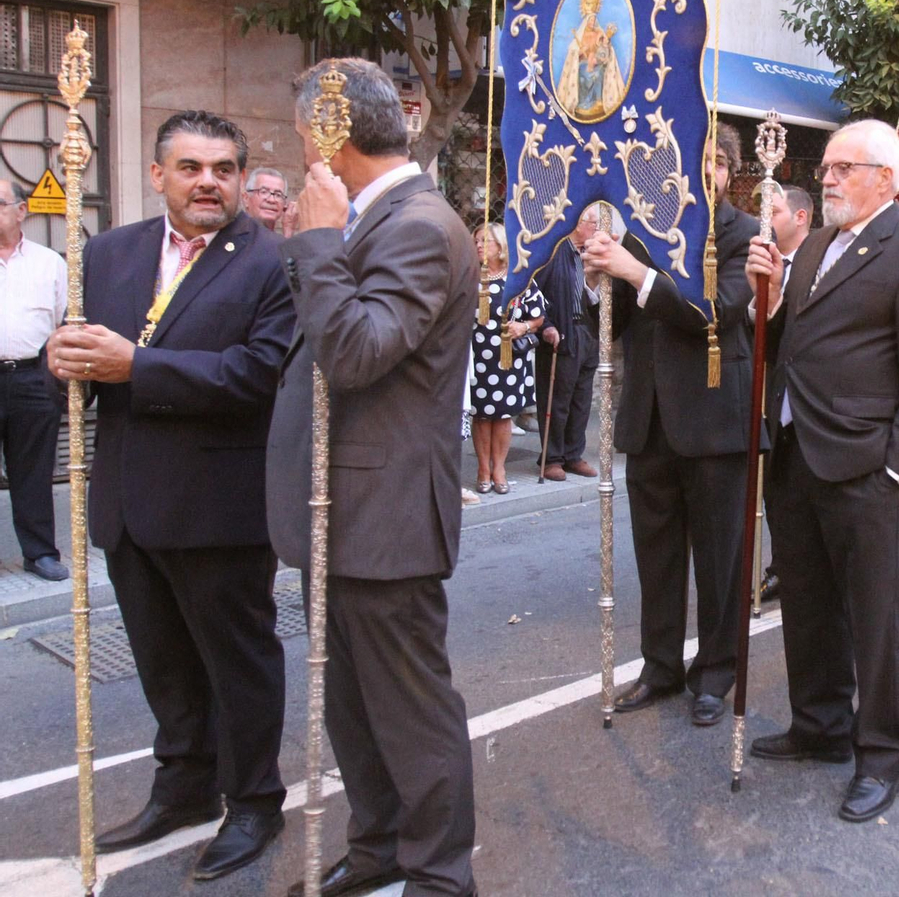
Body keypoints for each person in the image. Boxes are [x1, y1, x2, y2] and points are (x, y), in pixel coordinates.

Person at [46, 111, 294, 879]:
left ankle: (254, 800)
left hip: (219, 504)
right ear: (159, 175)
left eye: (223, 168)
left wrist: (137, 368)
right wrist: (67, 357)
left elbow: (259, 374)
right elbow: (86, 347)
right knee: (162, 661)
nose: (208, 182)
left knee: (237, 660)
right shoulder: (109, 251)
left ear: (242, 179)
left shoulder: (272, 263)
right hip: (127, 501)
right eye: (190, 167)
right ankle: (184, 782)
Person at [267, 58, 478, 897]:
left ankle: (437, 874)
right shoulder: (368, 216)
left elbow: (354, 351)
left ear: (330, 137)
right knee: (353, 712)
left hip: (384, 515)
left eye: (301, 139)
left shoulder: (420, 223)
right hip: (337, 510)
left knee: (412, 716)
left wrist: (317, 243)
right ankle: (380, 845)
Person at [743, 118, 899, 822]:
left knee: (873, 618)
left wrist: (895, 468)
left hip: (865, 465)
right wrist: (763, 297)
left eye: (843, 167)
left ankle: (882, 752)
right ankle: (820, 724)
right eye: (826, 167)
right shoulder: (812, 248)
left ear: (885, 179)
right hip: (798, 454)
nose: (827, 177)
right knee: (805, 602)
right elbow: (792, 343)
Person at [580, 122, 758, 728]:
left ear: (730, 173)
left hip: (713, 421)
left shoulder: (744, 235)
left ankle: (714, 674)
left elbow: (714, 313)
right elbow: (616, 318)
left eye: (715, 162)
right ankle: (660, 666)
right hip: (650, 419)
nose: (704, 172)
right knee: (656, 557)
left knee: (717, 558)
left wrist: (631, 270)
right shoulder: (649, 230)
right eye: (694, 160)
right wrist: (596, 277)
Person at [0, 178, 69, 581]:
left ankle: (39, 552)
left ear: (21, 210)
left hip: (31, 377)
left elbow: (64, 319)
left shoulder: (49, 263)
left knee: (34, 470)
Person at [757, 184, 812, 603]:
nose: (766, 219)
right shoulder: (763, 262)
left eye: (773, 210)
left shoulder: (823, 263)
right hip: (778, 400)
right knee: (776, 493)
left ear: (800, 217)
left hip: (819, 408)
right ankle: (782, 566)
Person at [468, 222, 552, 493]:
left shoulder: (518, 277)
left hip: (507, 355)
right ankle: (483, 469)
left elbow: (539, 315)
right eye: (477, 241)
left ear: (501, 246)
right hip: (477, 356)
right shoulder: (470, 276)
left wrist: (524, 327)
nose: (479, 246)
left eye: (485, 241)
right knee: (481, 415)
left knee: (503, 415)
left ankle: (499, 469)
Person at [531, 208, 599, 481]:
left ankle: (573, 454)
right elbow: (534, 292)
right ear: (577, 223)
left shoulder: (586, 254)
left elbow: (591, 295)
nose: (595, 228)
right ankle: (552, 458)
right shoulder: (553, 252)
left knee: (581, 400)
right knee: (557, 400)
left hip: (586, 332)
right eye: (592, 222)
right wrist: (545, 325)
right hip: (562, 332)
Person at [242, 167, 292, 234]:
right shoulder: (231, 237)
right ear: (246, 198)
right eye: (264, 192)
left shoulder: (282, 239)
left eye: (278, 195)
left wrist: (288, 228)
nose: (271, 200)